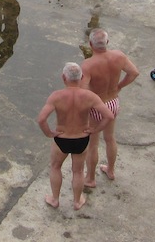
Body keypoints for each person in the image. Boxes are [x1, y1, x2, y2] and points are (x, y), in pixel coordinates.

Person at [37, 62, 114, 211]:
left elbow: (41, 119)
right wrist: (95, 129)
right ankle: (77, 201)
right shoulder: (90, 96)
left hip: (62, 138)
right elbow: (109, 116)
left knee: (55, 167)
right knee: (78, 171)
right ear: (82, 78)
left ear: (63, 77)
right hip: (81, 138)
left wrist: (49, 133)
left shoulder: (56, 96)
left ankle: (55, 199)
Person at [81, 28, 139, 186]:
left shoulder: (88, 65)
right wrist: (119, 86)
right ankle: (111, 170)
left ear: (91, 44)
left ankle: (91, 178)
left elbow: (84, 91)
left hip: (97, 107)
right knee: (110, 138)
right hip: (113, 103)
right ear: (107, 42)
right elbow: (133, 72)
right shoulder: (119, 56)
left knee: (93, 143)